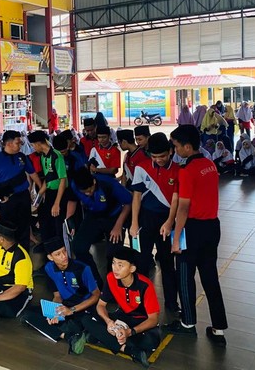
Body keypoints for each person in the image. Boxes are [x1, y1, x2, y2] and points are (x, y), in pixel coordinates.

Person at [166, 125, 228, 347]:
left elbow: (183, 208)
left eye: (176, 146)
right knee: (210, 277)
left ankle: (188, 323)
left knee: (184, 275)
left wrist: (176, 238)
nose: (174, 151)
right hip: (212, 227)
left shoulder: (187, 171)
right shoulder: (210, 165)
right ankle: (218, 328)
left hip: (192, 229)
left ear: (187, 146)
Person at [81, 247, 161, 367]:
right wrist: (108, 322)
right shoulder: (111, 278)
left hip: (141, 323)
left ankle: (103, 337)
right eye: (113, 263)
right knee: (86, 318)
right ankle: (129, 350)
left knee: (151, 342)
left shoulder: (145, 285)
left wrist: (130, 332)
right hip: (122, 317)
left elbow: (153, 319)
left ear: (132, 268)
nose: (115, 268)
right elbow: (101, 305)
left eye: (120, 265)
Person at [20, 236, 100, 352]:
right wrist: (54, 313)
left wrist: (71, 310)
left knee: (81, 321)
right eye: (58, 254)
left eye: (64, 251)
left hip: (83, 307)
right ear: (50, 257)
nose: (64, 256)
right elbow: (57, 296)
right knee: (27, 315)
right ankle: (68, 335)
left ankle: (75, 330)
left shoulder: (82, 269)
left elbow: (96, 295)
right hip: (65, 305)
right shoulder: (49, 268)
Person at [129, 133, 179, 314]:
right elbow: (136, 197)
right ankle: (140, 302)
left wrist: (170, 222)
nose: (158, 160)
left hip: (167, 221)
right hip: (146, 219)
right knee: (142, 263)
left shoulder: (178, 170)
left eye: (162, 156)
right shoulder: (141, 168)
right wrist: (134, 223)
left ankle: (171, 303)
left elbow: (177, 200)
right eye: (154, 156)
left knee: (167, 263)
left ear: (170, 151)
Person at [70, 167, 132, 287]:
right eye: (84, 192)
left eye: (90, 190)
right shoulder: (75, 185)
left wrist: (118, 226)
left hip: (114, 217)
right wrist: (69, 221)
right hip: (93, 216)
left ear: (94, 182)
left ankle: (113, 286)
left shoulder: (108, 184)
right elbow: (72, 201)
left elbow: (128, 203)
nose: (88, 194)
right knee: (78, 247)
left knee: (113, 254)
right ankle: (95, 283)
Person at [0, 130, 43, 250]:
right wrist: (0, 197)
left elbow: (32, 173)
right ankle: (9, 252)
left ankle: (24, 252)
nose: (20, 144)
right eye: (18, 142)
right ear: (9, 144)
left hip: (23, 197)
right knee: (8, 228)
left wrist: (41, 188)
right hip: (7, 200)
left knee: (24, 225)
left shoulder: (22, 157)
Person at [28, 130, 67, 242]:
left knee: (57, 224)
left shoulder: (57, 156)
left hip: (59, 194)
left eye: (33, 145)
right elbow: (48, 177)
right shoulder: (43, 157)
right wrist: (40, 194)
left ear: (38, 143)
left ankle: (60, 247)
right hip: (48, 193)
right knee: (45, 222)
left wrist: (57, 203)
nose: (33, 148)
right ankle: (47, 246)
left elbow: (63, 180)